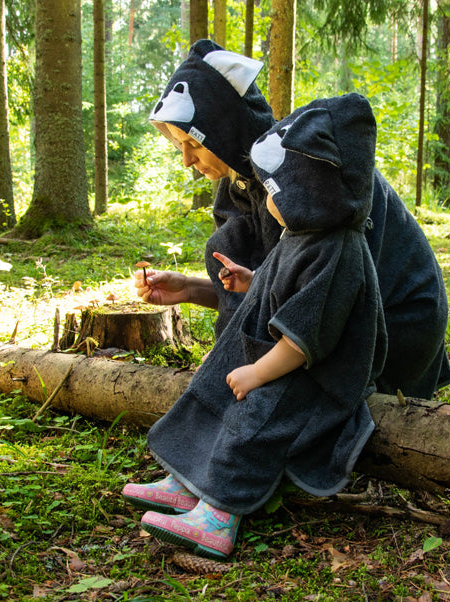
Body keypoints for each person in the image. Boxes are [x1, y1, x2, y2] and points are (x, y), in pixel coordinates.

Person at [124, 93, 387, 560]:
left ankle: (219, 513)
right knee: (213, 378)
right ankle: (188, 478)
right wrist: (251, 283)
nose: (267, 202)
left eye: (277, 192)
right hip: (279, 356)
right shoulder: (302, 235)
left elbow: (306, 339)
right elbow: (281, 285)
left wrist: (256, 373)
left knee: (257, 411)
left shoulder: (337, 250)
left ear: (315, 193)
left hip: (315, 373)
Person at [136, 39, 450, 400]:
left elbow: (320, 289)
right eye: (179, 146)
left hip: (395, 327)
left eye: (193, 143)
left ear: (221, 127)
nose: (187, 161)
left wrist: (245, 363)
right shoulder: (238, 186)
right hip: (325, 322)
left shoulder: (302, 175)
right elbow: (268, 286)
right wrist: (191, 289)